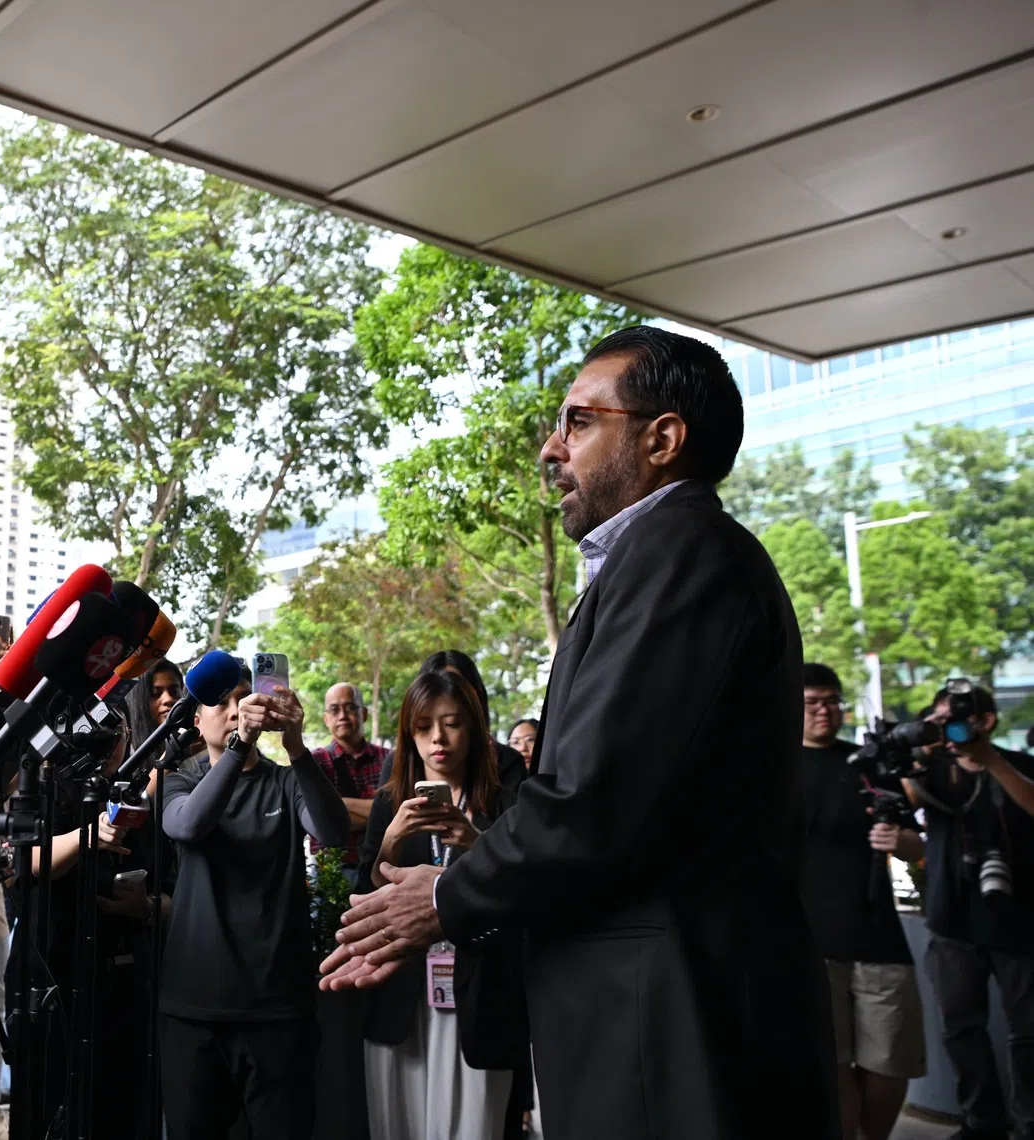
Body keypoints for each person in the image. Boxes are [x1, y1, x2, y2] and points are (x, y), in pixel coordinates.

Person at [321, 325, 838, 1140]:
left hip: (673, 1019)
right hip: (645, 1010)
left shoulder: (683, 554)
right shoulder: (654, 561)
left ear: (663, 437)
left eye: (579, 422)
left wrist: (451, 894)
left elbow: (593, 797)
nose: (549, 449)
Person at [159, 667, 350, 1140]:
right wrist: (241, 745)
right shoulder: (177, 780)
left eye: (244, 698)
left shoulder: (286, 783)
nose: (236, 709)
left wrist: (298, 748)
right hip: (193, 1010)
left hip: (278, 1013)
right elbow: (188, 826)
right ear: (198, 721)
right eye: (220, 703)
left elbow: (332, 831)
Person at [357, 670, 520, 1140]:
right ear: (410, 734)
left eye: (451, 723)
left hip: (480, 989)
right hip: (401, 991)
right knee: (398, 1124)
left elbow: (520, 888)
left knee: (474, 1125)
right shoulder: (390, 802)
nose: (438, 739)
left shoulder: (507, 803)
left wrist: (476, 841)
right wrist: (390, 837)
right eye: (424, 726)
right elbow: (373, 887)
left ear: (473, 728)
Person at [4, 705, 164, 1139]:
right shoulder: (44, 784)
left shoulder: (142, 794)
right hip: (52, 968)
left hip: (123, 977)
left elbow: (171, 889)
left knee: (119, 1107)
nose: (111, 739)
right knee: (48, 1104)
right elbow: (27, 860)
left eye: (119, 728)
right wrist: (86, 835)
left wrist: (147, 904)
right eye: (98, 729)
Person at [800, 663, 926, 1140]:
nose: (824, 711)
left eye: (832, 701)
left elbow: (918, 847)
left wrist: (900, 841)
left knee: (889, 1060)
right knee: (829, 1056)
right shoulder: (772, 769)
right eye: (812, 702)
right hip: (809, 939)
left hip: (878, 936)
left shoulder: (870, 765)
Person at [904, 685, 1034, 1140]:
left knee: (1029, 1032)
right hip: (951, 919)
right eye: (939, 718)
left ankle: (1029, 1123)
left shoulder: (1018, 764)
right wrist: (922, 753)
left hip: (1018, 919)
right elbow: (907, 806)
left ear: (988, 720)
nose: (949, 726)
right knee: (961, 1029)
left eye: (958, 717)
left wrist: (990, 760)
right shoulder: (932, 772)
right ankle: (982, 1122)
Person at [378, 651, 527, 794]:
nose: (438, 736)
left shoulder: (508, 762)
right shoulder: (396, 766)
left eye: (452, 724)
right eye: (424, 726)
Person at [311, 682, 389, 881]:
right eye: (335, 710)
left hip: (382, 867)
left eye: (350, 707)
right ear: (326, 719)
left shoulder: (389, 760)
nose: (343, 716)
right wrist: (378, 812)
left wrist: (336, 803)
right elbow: (321, 822)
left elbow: (397, 812)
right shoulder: (314, 762)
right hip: (331, 873)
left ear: (364, 714)